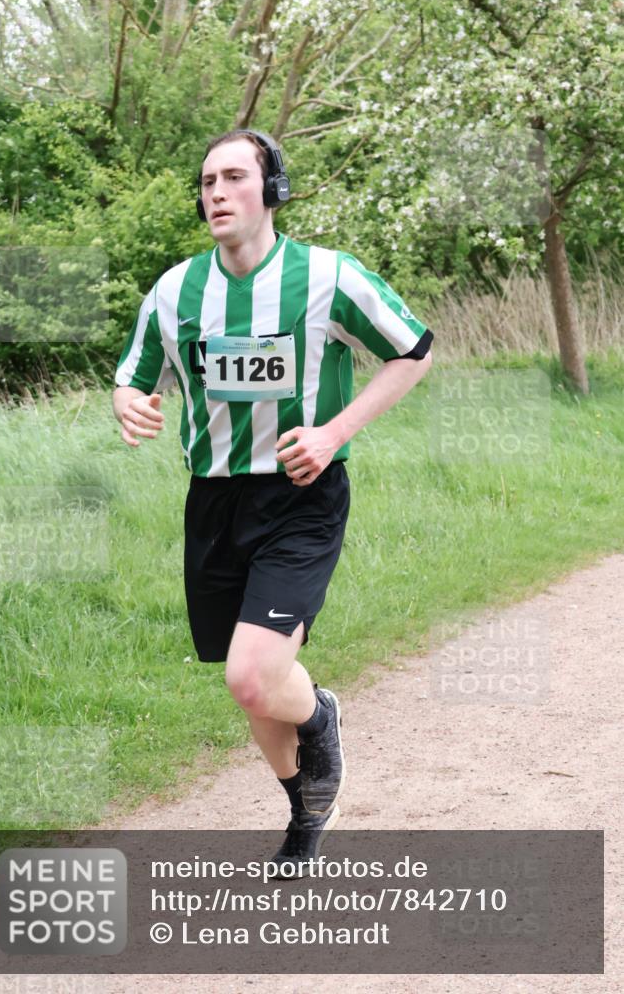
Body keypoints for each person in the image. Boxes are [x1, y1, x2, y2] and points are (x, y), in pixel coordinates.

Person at [113, 129, 433, 877]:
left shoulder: (327, 276)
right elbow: (133, 376)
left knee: (251, 676)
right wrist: (128, 403)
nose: (216, 193)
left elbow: (413, 350)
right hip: (213, 503)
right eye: (206, 181)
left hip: (300, 495)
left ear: (272, 189)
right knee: (253, 689)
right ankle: (307, 810)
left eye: (234, 177)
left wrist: (333, 432)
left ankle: (320, 715)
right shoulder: (174, 290)